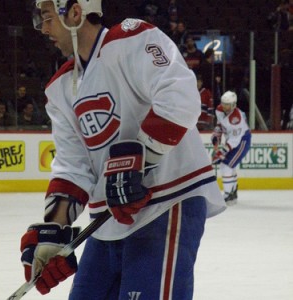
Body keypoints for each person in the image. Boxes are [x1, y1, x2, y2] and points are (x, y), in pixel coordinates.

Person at [19, 1, 226, 299]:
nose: (44, 29)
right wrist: (54, 229)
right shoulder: (60, 88)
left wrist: (139, 161)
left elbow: (179, 95)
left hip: (165, 203)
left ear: (76, 13)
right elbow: (72, 166)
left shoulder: (132, 38)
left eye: (48, 18)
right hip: (107, 223)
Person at [211, 91, 251, 206]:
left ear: (234, 104)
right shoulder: (219, 110)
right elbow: (220, 124)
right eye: (223, 104)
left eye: (228, 104)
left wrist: (221, 152)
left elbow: (234, 140)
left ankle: (228, 195)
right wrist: (217, 134)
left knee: (226, 166)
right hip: (233, 140)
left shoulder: (236, 119)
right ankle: (232, 193)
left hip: (242, 141)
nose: (225, 107)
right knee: (228, 166)